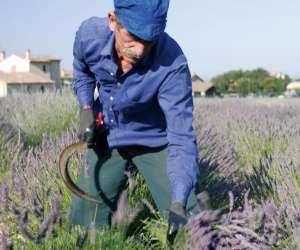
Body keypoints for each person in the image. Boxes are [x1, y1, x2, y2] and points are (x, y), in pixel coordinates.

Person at [69, 0, 200, 243]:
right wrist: (86, 106)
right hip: (108, 137)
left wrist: (180, 200)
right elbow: (81, 68)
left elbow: (182, 136)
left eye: (149, 41)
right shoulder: (89, 35)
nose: (139, 50)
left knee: (192, 224)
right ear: (112, 21)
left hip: (155, 140)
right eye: (133, 36)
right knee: (83, 226)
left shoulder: (173, 63)